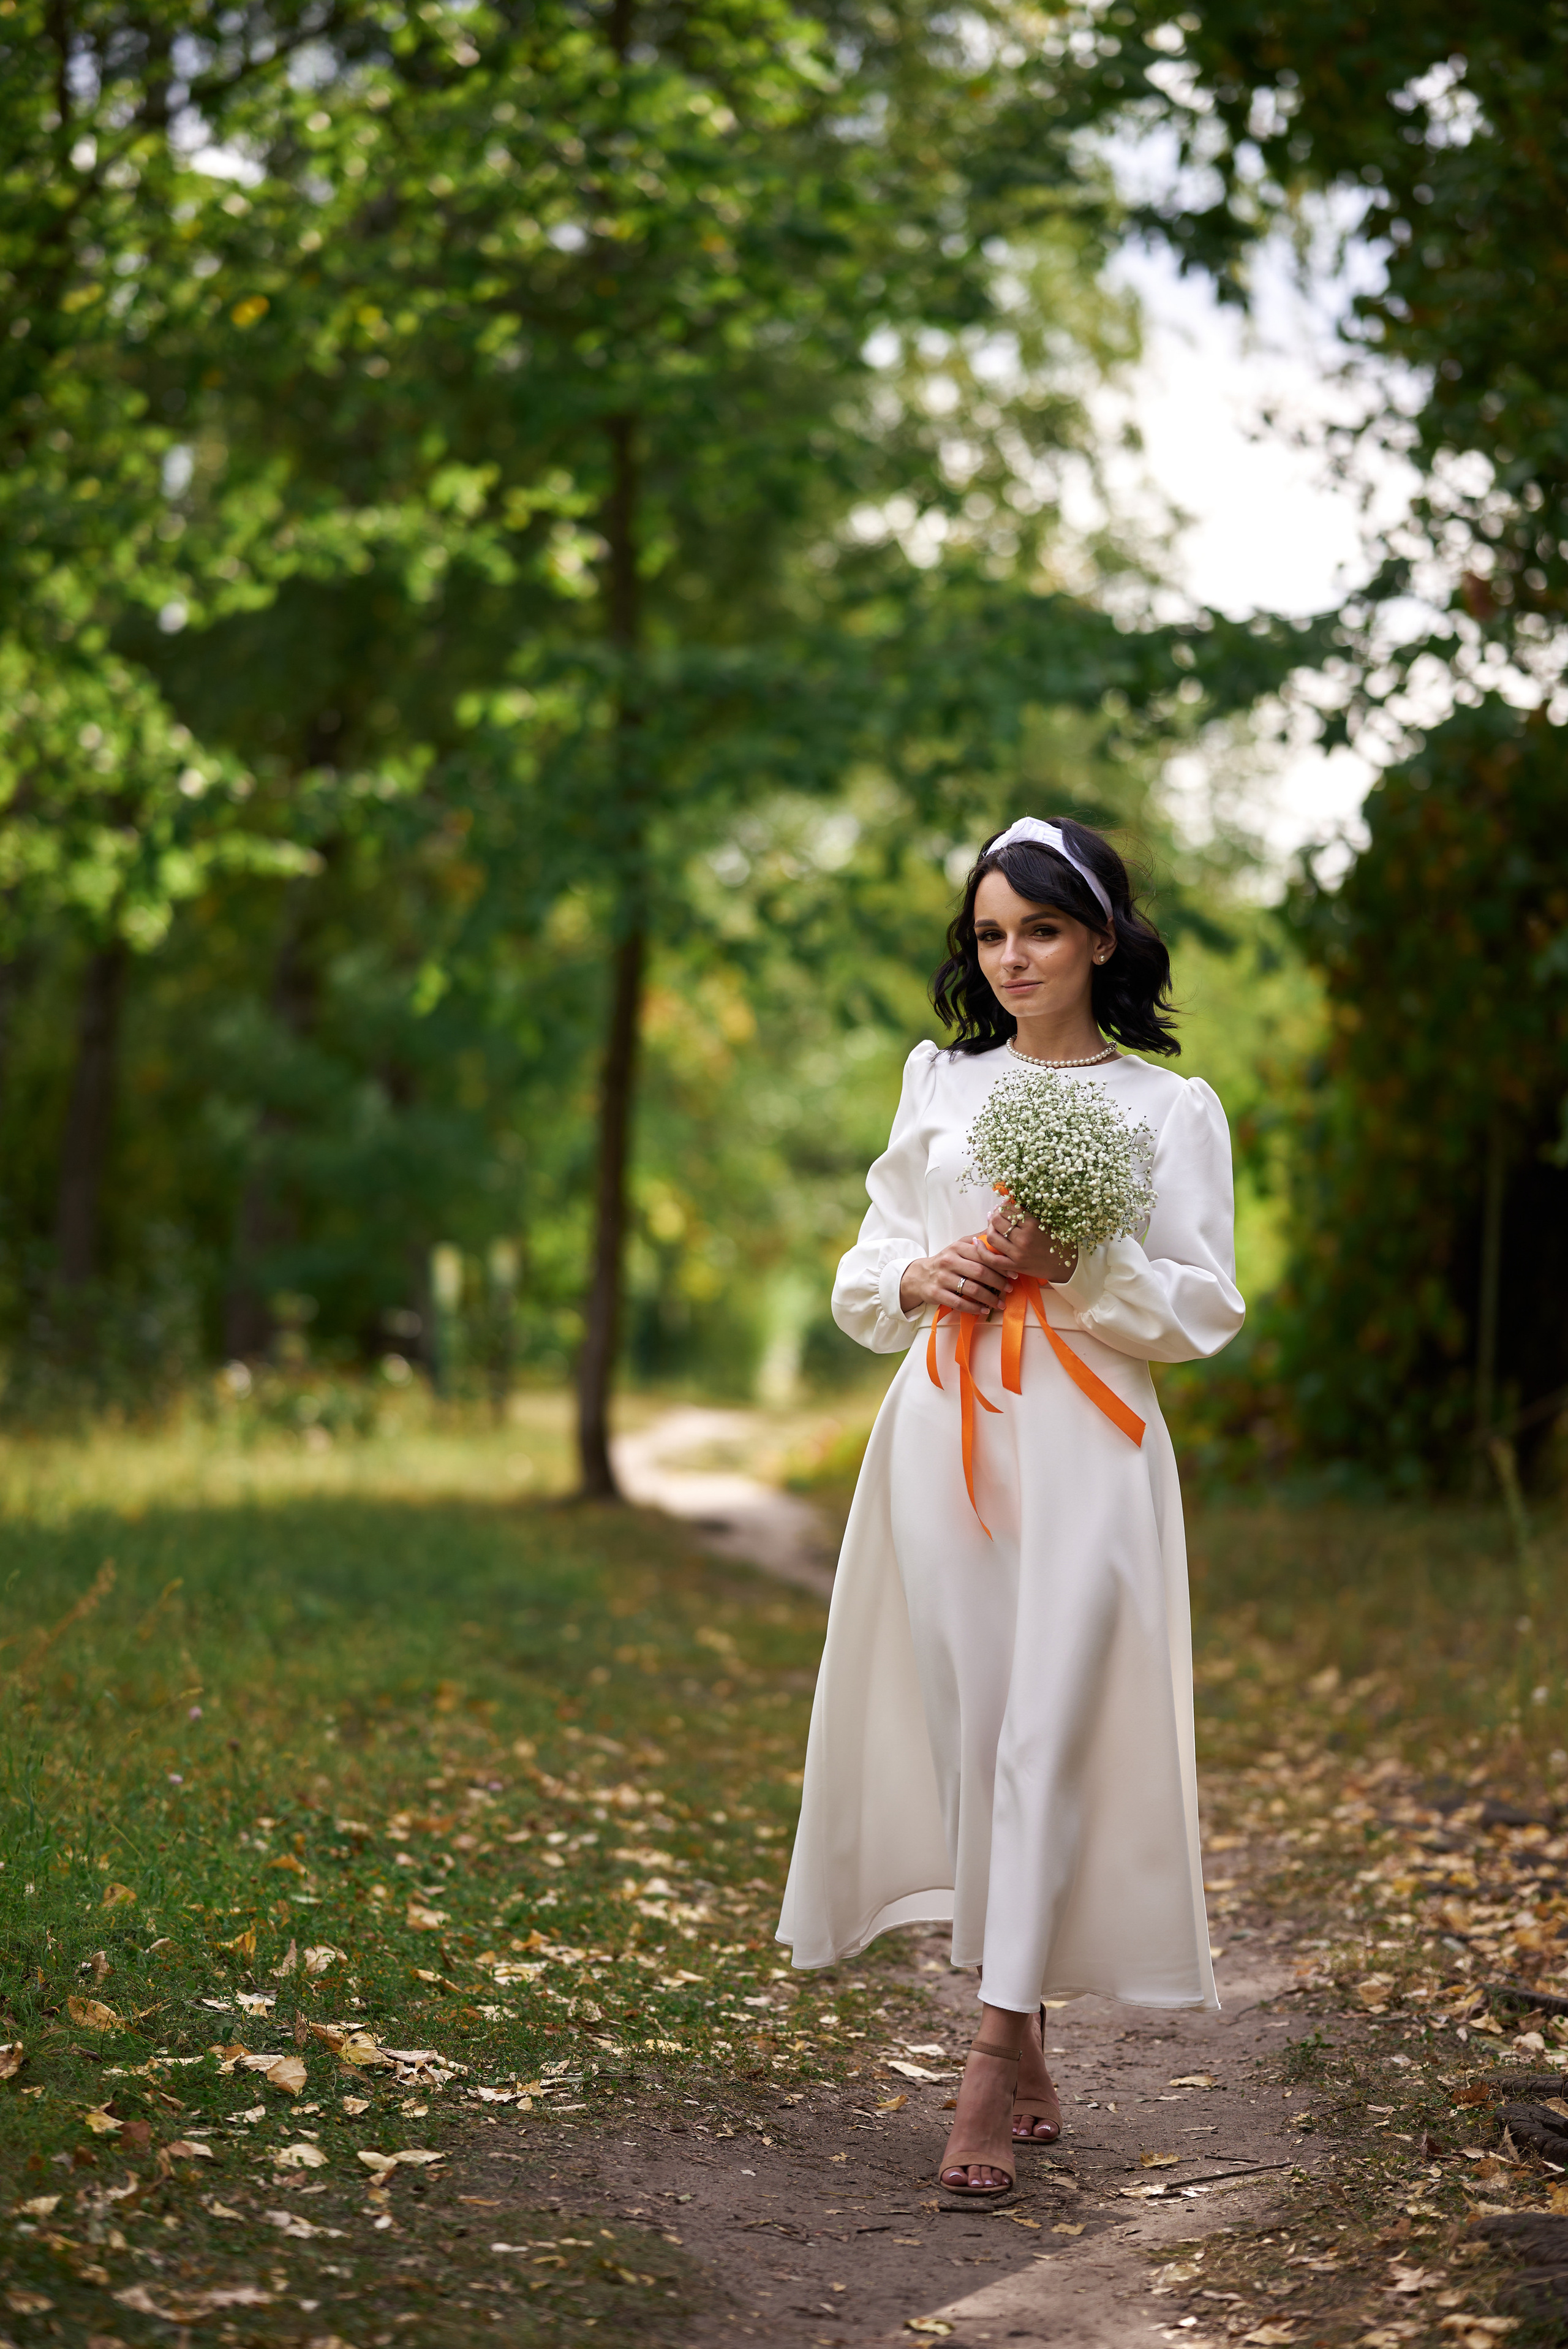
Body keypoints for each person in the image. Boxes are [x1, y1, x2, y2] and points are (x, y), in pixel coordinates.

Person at [776, 817, 1245, 2197]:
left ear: (1099, 936)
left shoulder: (1171, 1109)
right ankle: (1022, 2022)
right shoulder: (938, 1080)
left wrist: (1079, 1261)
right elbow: (871, 1255)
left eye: (1039, 929)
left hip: (1088, 1448)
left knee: (1046, 1725)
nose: (1013, 957)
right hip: (942, 1433)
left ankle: (982, 2061)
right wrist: (925, 1278)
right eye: (989, 934)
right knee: (970, 1728)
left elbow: (1203, 1308)